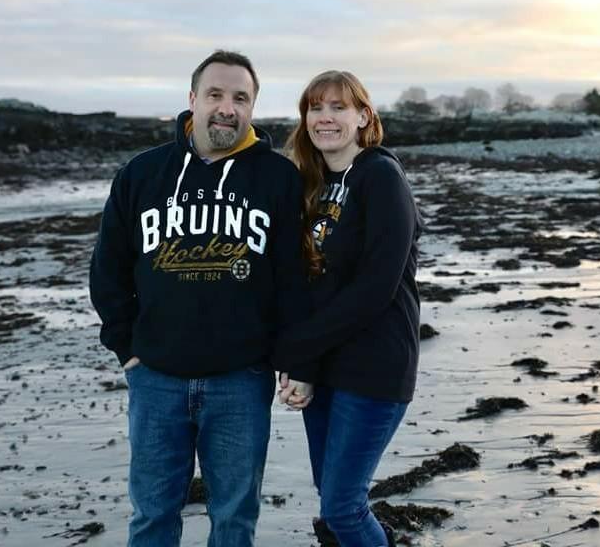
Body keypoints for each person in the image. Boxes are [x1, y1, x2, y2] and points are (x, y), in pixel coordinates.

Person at [89, 50, 313, 547]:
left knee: (234, 519)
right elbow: (107, 269)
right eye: (215, 94)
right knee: (153, 516)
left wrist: (294, 360)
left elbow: (293, 280)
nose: (227, 108)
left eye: (240, 98)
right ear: (193, 99)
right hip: (155, 378)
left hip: (241, 381)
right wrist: (126, 346)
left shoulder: (278, 178)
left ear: (253, 106)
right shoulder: (141, 173)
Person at [275, 70, 423, 547]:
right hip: (325, 365)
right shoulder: (312, 183)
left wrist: (297, 352)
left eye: (338, 107)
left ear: (363, 116)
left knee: (343, 506)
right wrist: (305, 367)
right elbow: (309, 285)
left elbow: (374, 289)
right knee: (331, 497)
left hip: (375, 363)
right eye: (315, 108)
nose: (325, 117)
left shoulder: (380, 176)